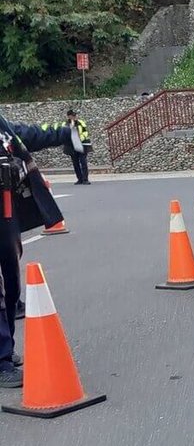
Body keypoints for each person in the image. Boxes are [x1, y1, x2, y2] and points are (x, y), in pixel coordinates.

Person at [0, 113, 82, 388]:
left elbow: (27, 134)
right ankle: (2, 361)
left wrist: (63, 132)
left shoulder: (3, 126)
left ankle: (6, 349)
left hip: (6, 211)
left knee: (12, 285)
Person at [64, 109, 91, 185]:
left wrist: (80, 138)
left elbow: (85, 132)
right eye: (72, 116)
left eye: (75, 115)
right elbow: (64, 134)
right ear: (69, 116)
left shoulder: (80, 122)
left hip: (81, 145)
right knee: (75, 163)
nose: (74, 117)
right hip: (72, 146)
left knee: (83, 162)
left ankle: (85, 179)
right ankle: (80, 179)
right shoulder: (65, 124)